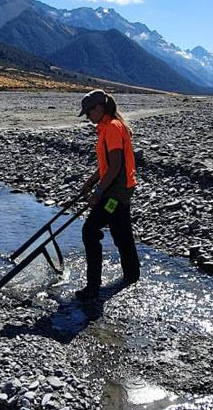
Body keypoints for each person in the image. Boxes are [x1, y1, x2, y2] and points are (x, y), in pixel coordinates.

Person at [71, 89, 140, 301]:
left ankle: (93, 287)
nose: (89, 118)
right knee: (121, 233)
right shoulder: (109, 127)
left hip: (115, 195)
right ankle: (132, 275)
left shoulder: (111, 128)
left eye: (89, 113)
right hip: (120, 190)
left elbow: (115, 166)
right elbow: (107, 166)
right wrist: (90, 183)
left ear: (99, 108)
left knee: (90, 230)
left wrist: (98, 193)